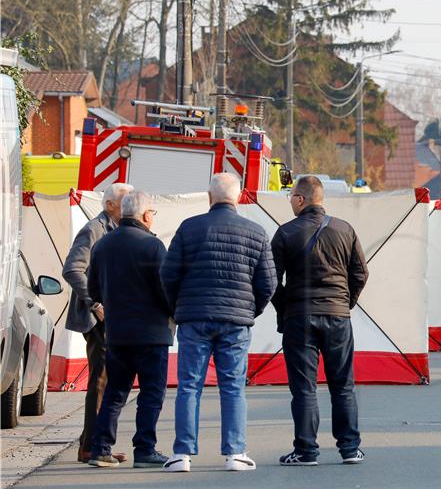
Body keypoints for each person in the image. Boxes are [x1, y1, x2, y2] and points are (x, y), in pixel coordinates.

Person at [160, 173, 277, 473]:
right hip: (236, 322)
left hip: (194, 318)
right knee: (233, 387)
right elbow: (268, 283)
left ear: (210, 197)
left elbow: (168, 275)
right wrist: (251, 310)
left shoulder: (188, 228)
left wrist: (178, 307)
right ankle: (235, 453)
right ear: (238, 197)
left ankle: (182, 455)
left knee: (188, 386)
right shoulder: (256, 232)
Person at [270, 175, 369, 466]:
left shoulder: (286, 233)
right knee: (343, 385)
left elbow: (272, 280)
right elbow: (360, 274)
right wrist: (344, 303)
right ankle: (350, 449)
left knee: (304, 388)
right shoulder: (344, 229)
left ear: (301, 200)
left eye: (291, 197)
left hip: (300, 318)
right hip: (338, 317)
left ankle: (306, 451)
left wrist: (287, 307)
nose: (290, 201)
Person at [86, 192, 172, 468]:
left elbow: (93, 290)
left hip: (118, 332)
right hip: (152, 333)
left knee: (115, 392)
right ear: (146, 215)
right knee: (151, 393)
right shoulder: (153, 246)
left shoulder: (102, 245)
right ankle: (145, 449)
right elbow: (165, 289)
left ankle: (101, 448)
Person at [63, 182, 133, 464]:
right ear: (110, 205)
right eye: (124, 201)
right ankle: (91, 447)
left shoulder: (113, 229)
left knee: (106, 380)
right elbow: (72, 268)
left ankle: (93, 443)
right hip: (97, 319)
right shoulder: (94, 229)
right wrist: (94, 302)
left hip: (108, 317)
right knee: (101, 381)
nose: (129, 207)